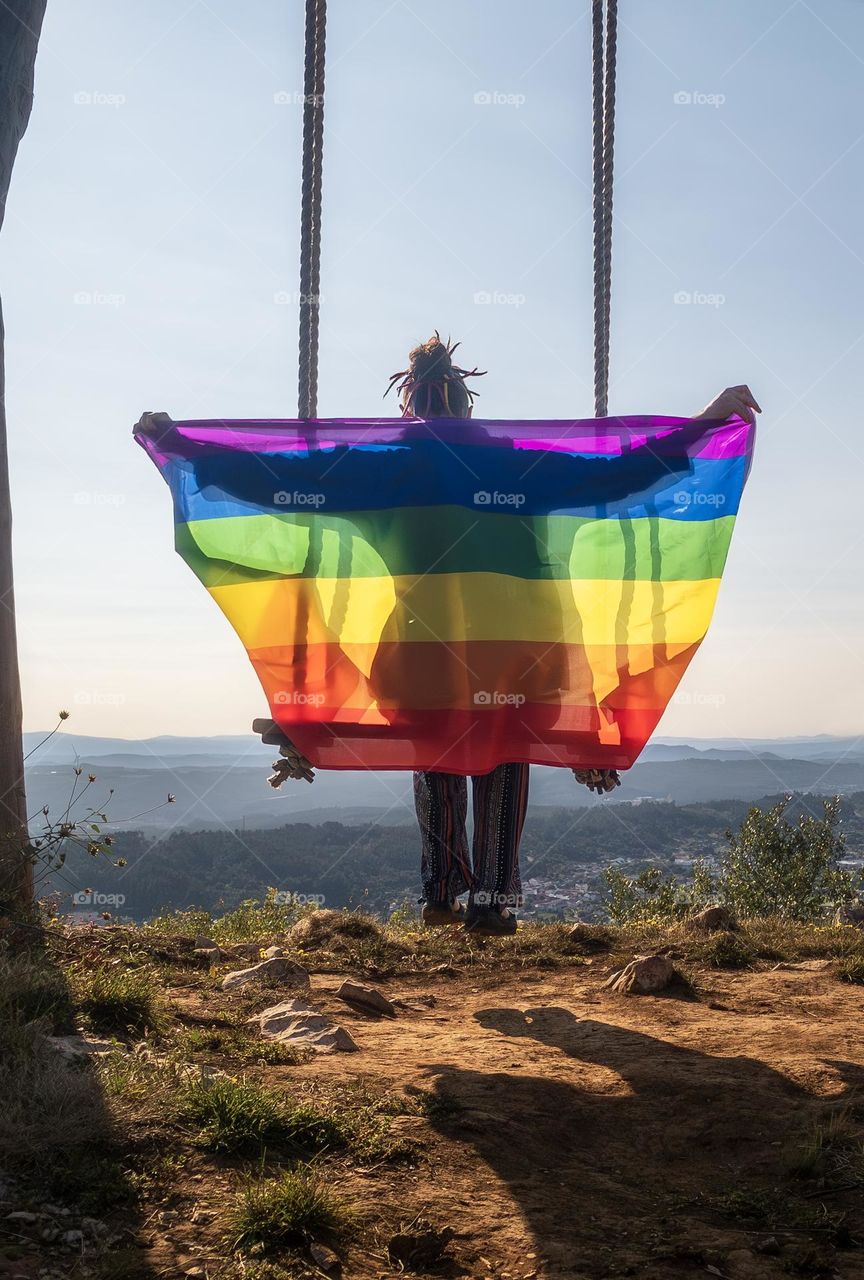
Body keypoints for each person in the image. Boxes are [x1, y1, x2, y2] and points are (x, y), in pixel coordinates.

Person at [252, 342, 761, 936]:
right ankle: (490, 900)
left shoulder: (379, 467)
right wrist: (703, 423)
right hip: (516, 653)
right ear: (468, 400)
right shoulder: (518, 464)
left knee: (434, 753)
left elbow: (280, 476)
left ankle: (441, 894)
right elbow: (619, 474)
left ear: (408, 401)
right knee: (503, 754)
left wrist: (183, 447)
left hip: (419, 651)